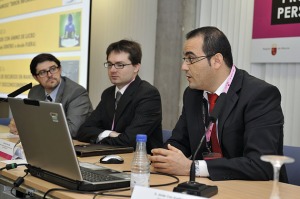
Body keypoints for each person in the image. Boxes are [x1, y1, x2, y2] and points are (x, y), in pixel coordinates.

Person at [149, 26, 287, 182]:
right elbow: (180, 141)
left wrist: (192, 167)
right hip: (209, 185)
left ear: (216, 61)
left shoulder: (260, 95)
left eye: (191, 59)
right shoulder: (192, 94)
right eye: (184, 59)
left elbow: (260, 165)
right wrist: (160, 158)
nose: (184, 67)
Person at [77, 39, 163, 153]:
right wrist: (110, 133)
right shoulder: (108, 94)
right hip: (109, 156)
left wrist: (100, 138)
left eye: (120, 65)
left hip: (139, 162)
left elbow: (130, 141)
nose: (112, 70)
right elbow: (83, 131)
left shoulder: (148, 95)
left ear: (136, 67)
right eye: (110, 64)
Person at [9, 53, 93, 138]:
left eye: (53, 69)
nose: (49, 75)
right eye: (43, 72)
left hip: (73, 146)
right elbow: (32, 121)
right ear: (35, 77)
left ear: (60, 69)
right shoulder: (34, 92)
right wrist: (20, 125)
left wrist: (30, 128)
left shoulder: (76, 93)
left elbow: (71, 131)